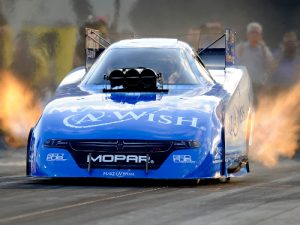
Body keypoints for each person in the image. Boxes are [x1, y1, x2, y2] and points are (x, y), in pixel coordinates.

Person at [237, 22, 274, 94]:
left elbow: (271, 67)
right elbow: (233, 65)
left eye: (256, 33)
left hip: (259, 87)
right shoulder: (240, 47)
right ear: (247, 34)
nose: (254, 35)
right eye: (252, 32)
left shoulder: (265, 50)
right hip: (243, 86)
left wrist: (264, 52)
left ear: (260, 35)